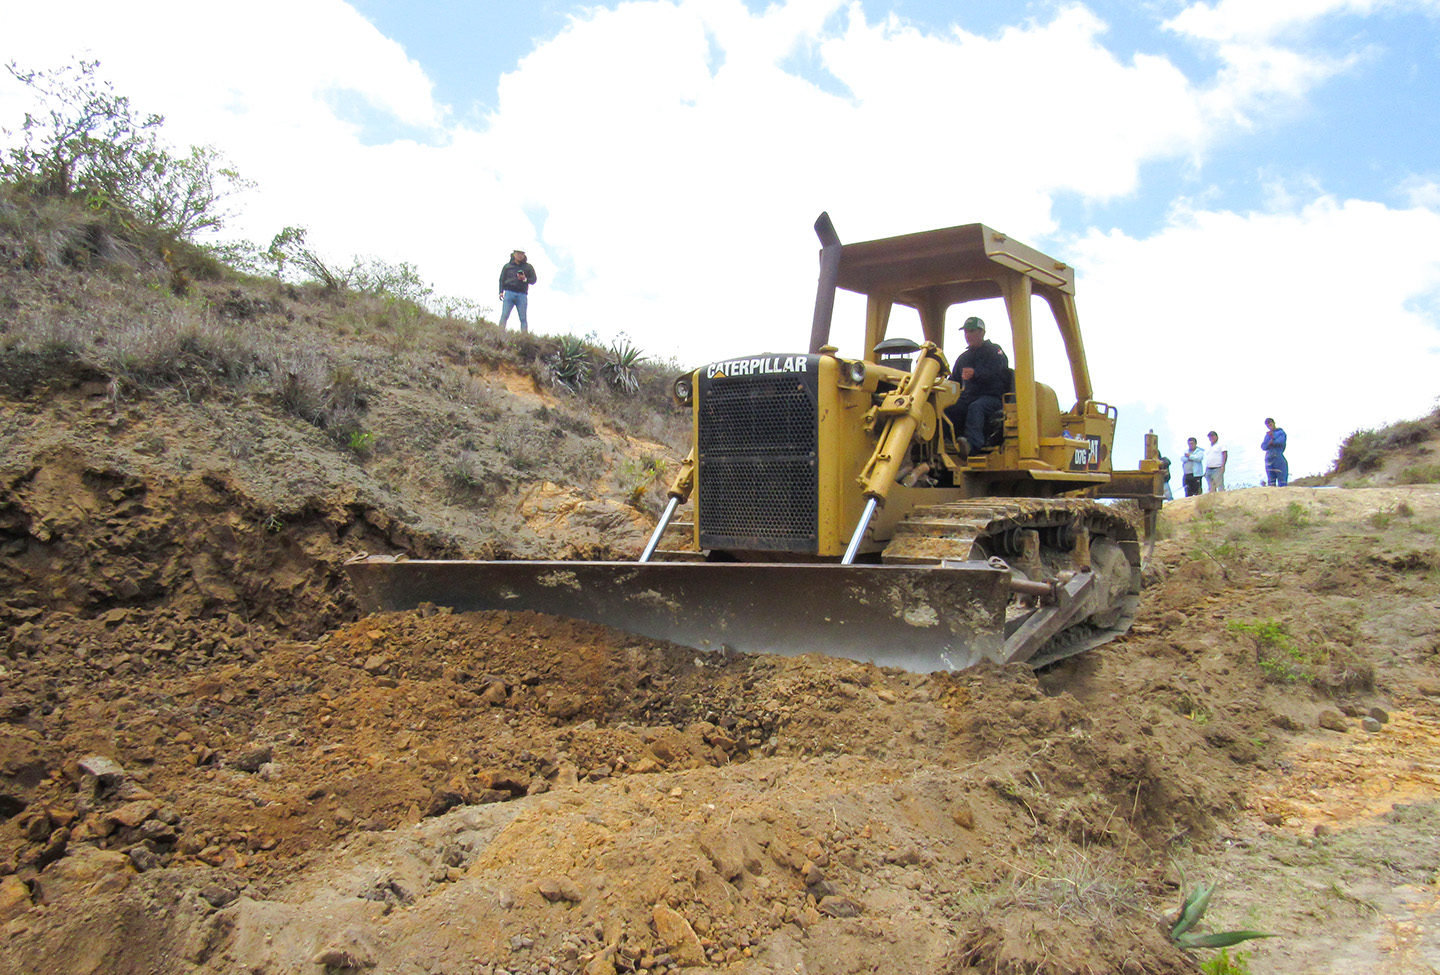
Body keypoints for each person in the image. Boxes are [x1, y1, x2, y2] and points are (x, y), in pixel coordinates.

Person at [942, 316, 1009, 457]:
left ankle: (971, 446)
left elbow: (998, 370)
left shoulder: (994, 351)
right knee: (948, 409)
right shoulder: (964, 358)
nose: (968, 335)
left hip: (992, 398)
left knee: (976, 407)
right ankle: (945, 442)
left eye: (972, 331)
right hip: (969, 397)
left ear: (982, 333)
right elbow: (954, 380)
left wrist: (976, 374)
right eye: (966, 332)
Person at [498, 249, 537, 333]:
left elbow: (533, 280)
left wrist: (525, 279)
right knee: (504, 315)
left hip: (522, 294)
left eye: (522, 253)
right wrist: (501, 292)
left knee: (523, 318)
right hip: (509, 292)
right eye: (518, 253)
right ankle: (499, 334)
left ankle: (524, 337)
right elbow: (501, 279)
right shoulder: (507, 266)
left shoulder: (528, 267)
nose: (520, 255)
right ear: (514, 254)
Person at [1261, 418, 1288, 486]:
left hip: (1278, 456)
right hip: (1269, 458)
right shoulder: (1267, 435)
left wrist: (1272, 440)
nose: (1269, 426)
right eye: (1268, 425)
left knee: (1282, 480)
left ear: (1273, 423)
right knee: (1271, 481)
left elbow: (1280, 441)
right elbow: (1263, 446)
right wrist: (1269, 443)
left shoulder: (1280, 432)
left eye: (1270, 424)